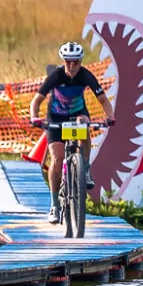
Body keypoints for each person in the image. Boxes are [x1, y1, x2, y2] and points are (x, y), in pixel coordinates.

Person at [30, 40, 111, 222]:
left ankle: (86, 168)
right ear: (63, 61)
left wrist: (110, 117)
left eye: (76, 62)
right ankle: (54, 206)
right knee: (57, 159)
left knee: (84, 124)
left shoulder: (86, 75)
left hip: (77, 115)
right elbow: (36, 101)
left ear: (81, 62)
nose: (72, 65)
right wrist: (35, 117)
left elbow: (104, 100)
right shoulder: (56, 76)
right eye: (68, 61)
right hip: (56, 118)